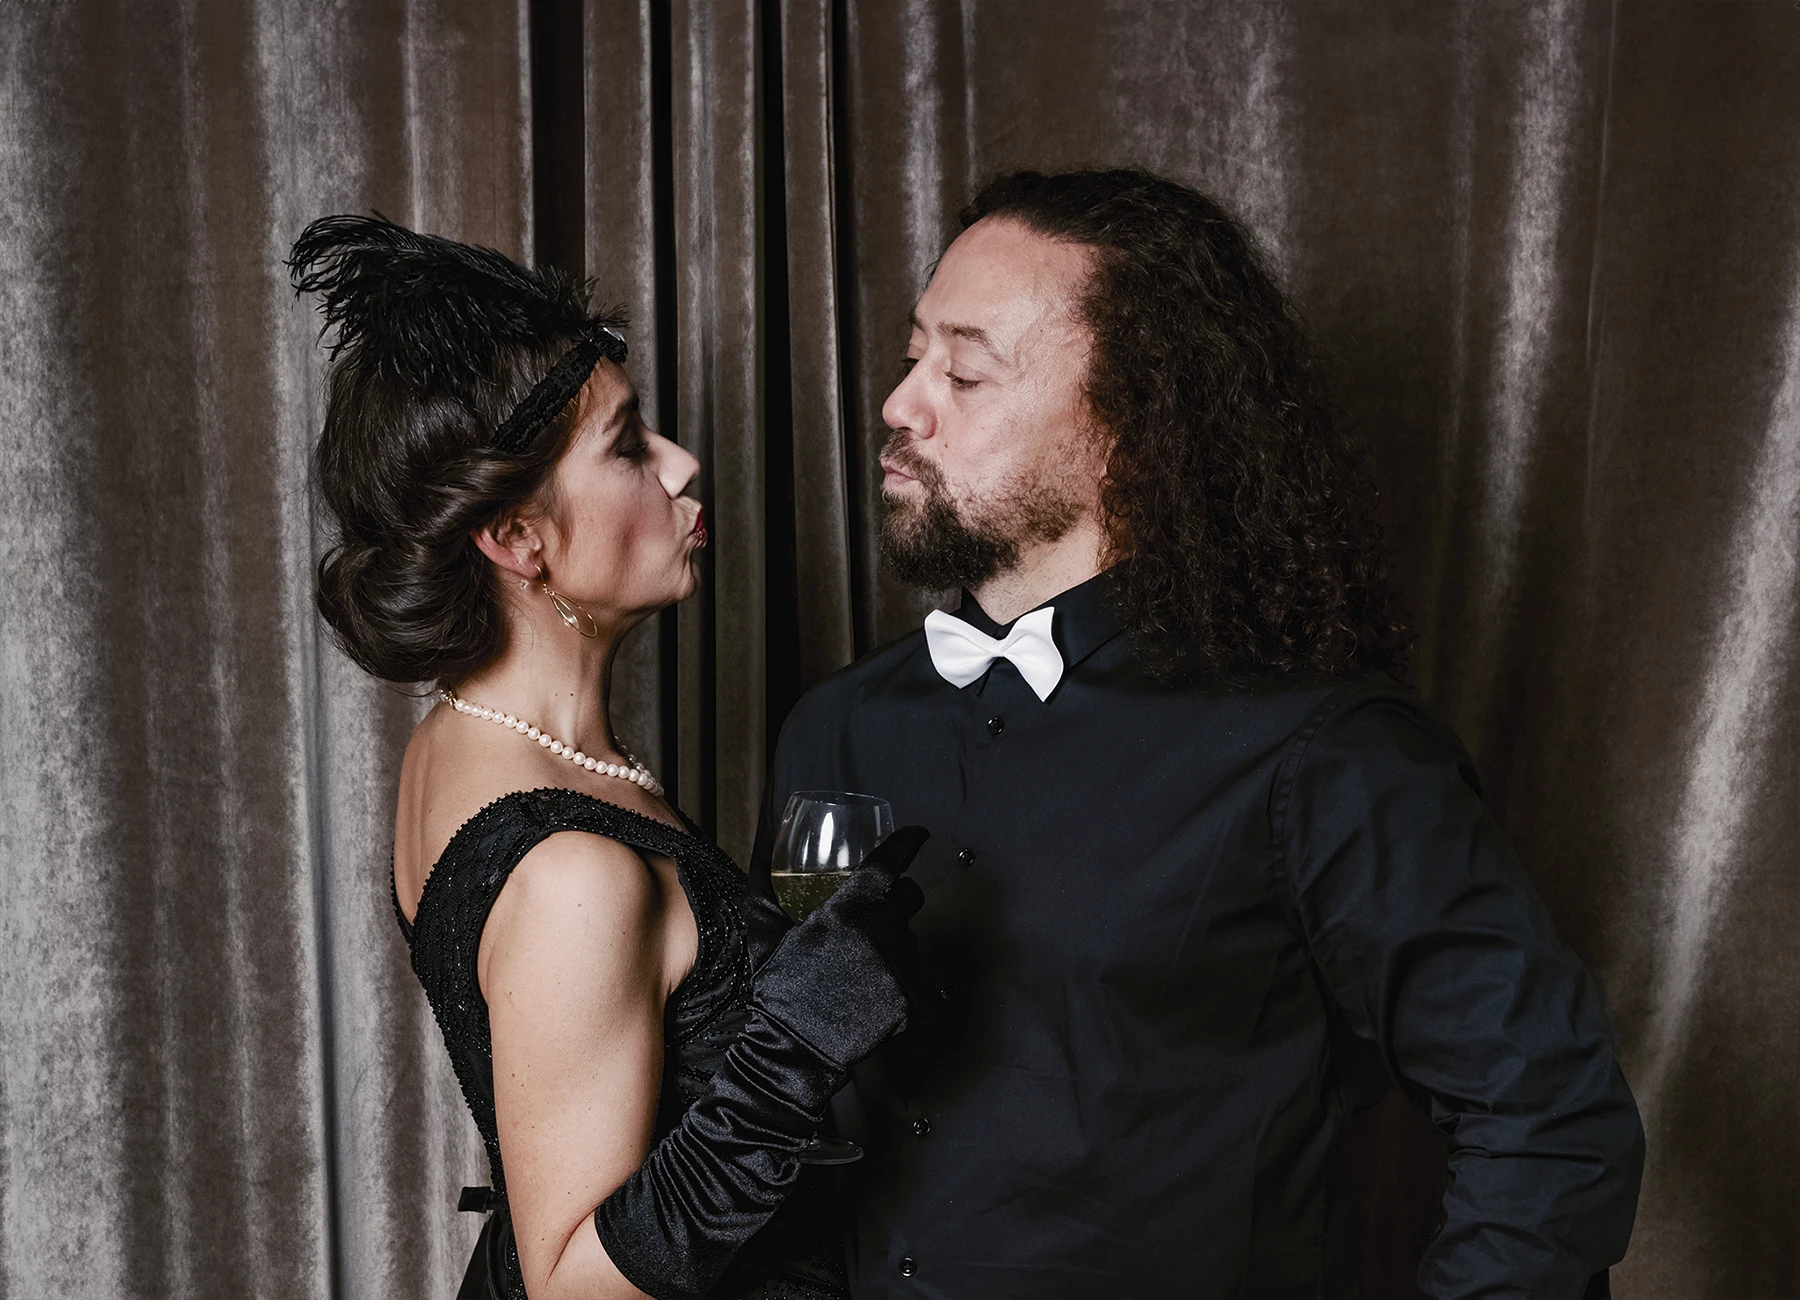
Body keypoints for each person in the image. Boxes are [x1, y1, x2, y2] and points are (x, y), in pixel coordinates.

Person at [752, 169, 1645, 1299]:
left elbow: (1552, 1119)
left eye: (966, 372)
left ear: (1129, 432)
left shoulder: (1323, 751)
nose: (902, 402)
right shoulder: (836, 729)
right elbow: (783, 1100)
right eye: (914, 353)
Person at [289, 216, 927, 1300]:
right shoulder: (570, 872)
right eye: (629, 445)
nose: (681, 464)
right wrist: (799, 1042)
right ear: (517, 538)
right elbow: (574, 1283)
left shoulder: (463, 745)